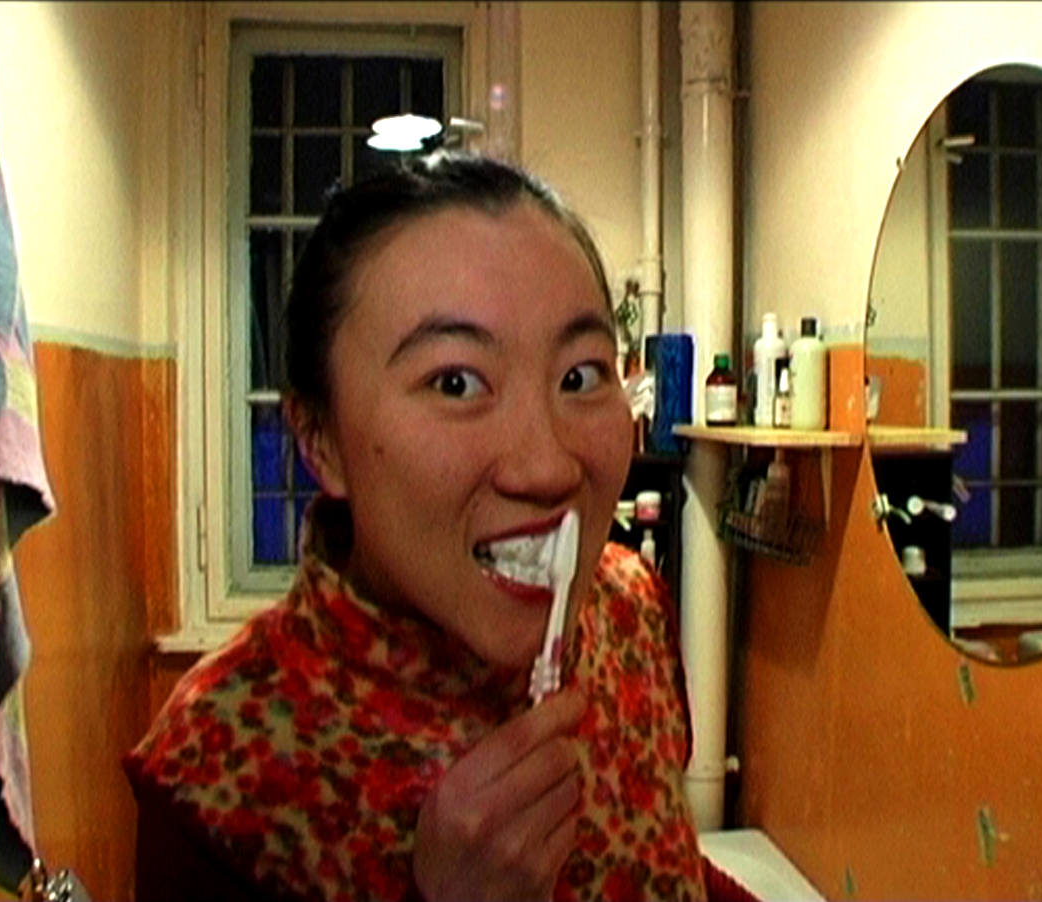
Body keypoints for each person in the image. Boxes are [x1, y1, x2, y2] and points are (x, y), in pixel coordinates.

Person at [123, 151, 757, 902]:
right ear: (321, 440)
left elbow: (671, 864)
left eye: (580, 376)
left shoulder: (630, 608)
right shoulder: (215, 769)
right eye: (455, 382)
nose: (547, 468)